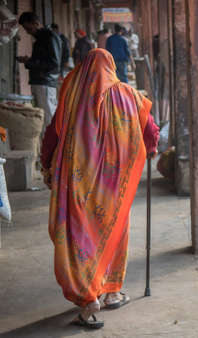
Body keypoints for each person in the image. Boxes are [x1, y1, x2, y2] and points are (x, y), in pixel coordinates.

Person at [40, 49, 159, 329]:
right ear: (111, 67)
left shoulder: (72, 96)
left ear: (84, 69)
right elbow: (151, 130)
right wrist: (150, 149)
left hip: (77, 185)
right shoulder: (130, 95)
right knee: (113, 232)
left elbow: (52, 135)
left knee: (79, 238)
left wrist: (47, 165)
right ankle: (112, 292)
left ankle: (87, 295)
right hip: (114, 185)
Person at [17, 12, 62, 137]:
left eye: (29, 28)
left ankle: (55, 151)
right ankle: (49, 150)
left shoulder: (50, 37)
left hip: (45, 82)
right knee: (44, 118)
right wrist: (30, 61)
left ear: (36, 23)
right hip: (40, 82)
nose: (27, 32)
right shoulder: (42, 39)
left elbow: (53, 64)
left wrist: (30, 62)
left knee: (49, 118)